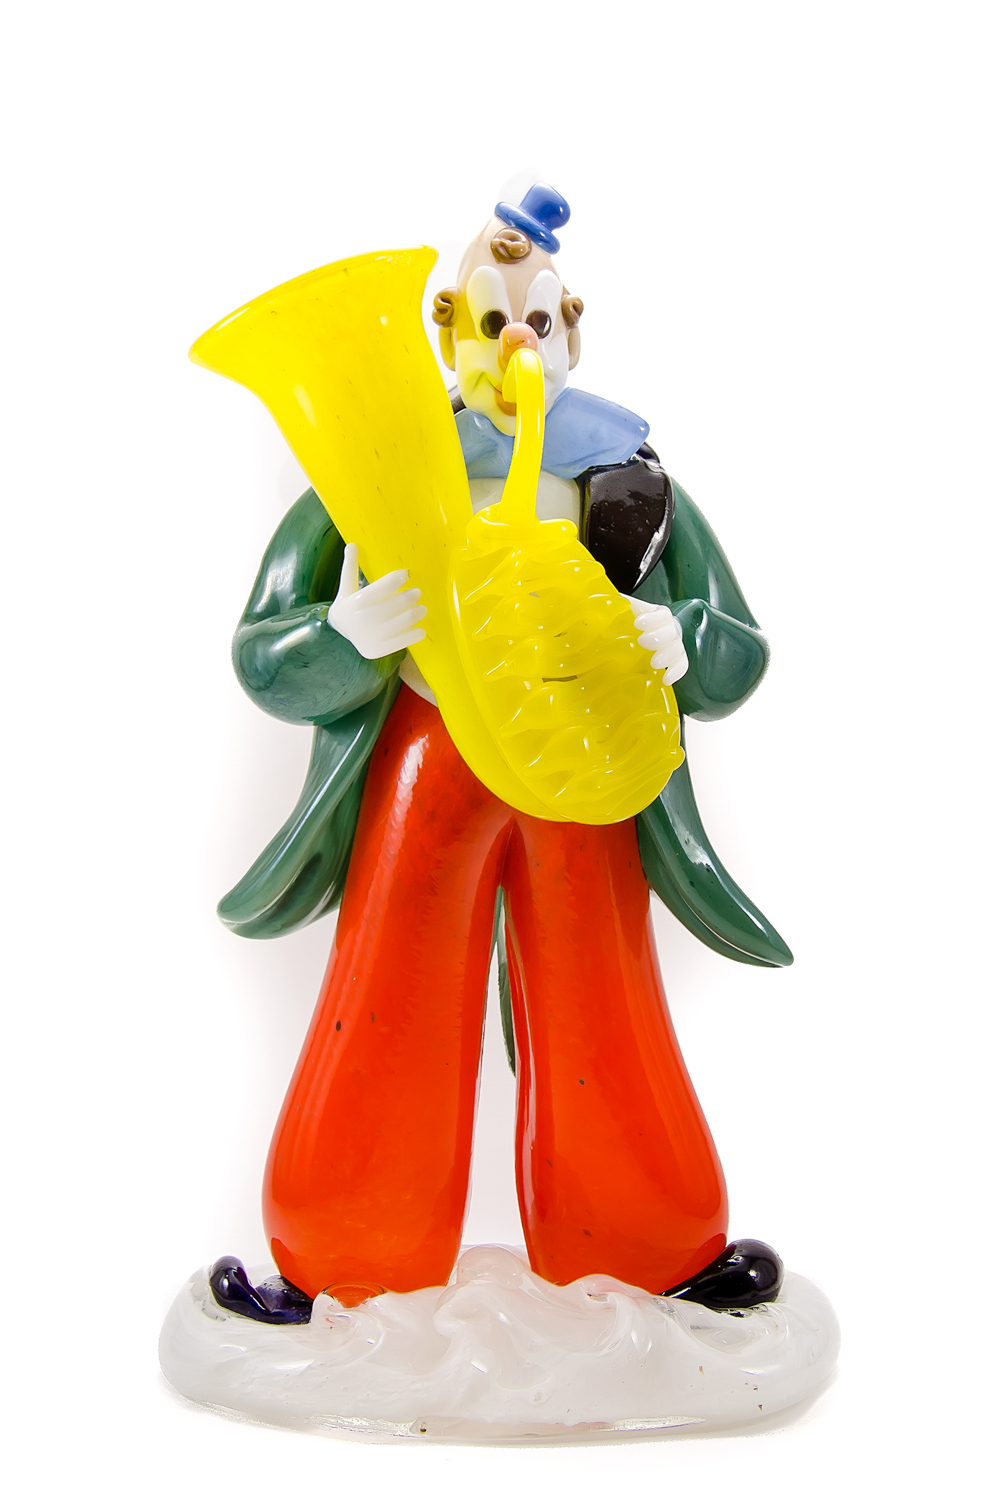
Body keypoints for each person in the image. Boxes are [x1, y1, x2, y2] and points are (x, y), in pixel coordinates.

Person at [208, 186, 791, 1326]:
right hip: (427, 757)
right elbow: (262, 651)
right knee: (389, 984)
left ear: (572, 332)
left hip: (588, 762)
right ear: (449, 336)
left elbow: (739, 646)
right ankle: (344, 1254)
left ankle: (646, 1247)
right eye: (491, 320)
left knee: (603, 988)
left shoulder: (632, 482)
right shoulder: (372, 477)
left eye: (538, 319)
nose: (517, 342)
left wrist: (682, 640)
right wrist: (341, 634)